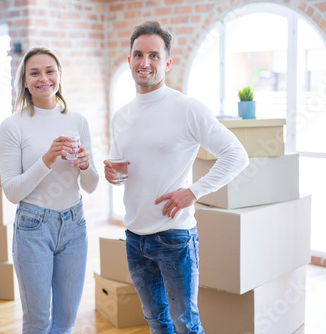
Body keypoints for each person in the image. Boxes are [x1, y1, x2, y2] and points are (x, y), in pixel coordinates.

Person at [104, 21, 249, 333]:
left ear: (167, 63)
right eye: (138, 54)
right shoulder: (122, 116)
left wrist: (193, 192)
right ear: (129, 60)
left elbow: (237, 155)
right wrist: (114, 175)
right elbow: (124, 170)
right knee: (156, 321)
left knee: (185, 323)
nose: (145, 62)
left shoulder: (186, 108)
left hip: (174, 237)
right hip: (134, 236)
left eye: (154, 55)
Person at [0, 47, 99, 333]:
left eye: (49, 71)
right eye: (35, 73)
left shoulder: (77, 121)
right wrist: (47, 159)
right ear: (25, 82)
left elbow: (91, 186)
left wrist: (85, 165)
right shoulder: (12, 126)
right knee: (37, 321)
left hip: (74, 225)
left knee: (66, 320)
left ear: (60, 76)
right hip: (33, 227)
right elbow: (12, 192)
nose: (44, 78)